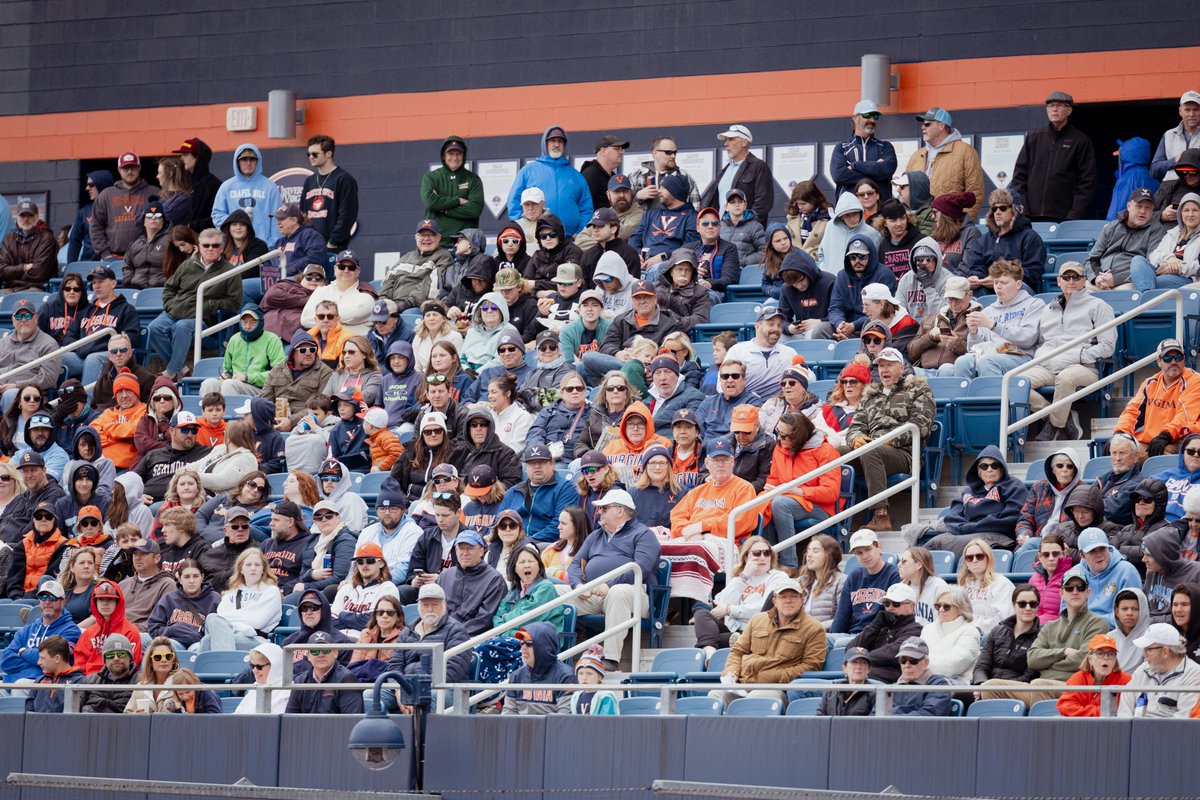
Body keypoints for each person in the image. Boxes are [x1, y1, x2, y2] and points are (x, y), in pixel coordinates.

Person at [1016, 260, 1116, 441]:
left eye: (1076, 277)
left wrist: (1079, 356)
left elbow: (1107, 346)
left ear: (1084, 280)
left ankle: (1053, 426)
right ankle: (1063, 417)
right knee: (1015, 383)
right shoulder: (1048, 309)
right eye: (1066, 277)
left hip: (1083, 367)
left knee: (1066, 378)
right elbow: (1041, 342)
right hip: (1048, 366)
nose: (1071, 281)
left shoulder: (1099, 306)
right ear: (1059, 281)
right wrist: (1042, 357)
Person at [982, 567, 1110, 705]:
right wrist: (1063, 652)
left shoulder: (1098, 623)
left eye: (1080, 587)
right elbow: (1032, 659)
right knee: (990, 687)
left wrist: (1047, 661)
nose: (1075, 591)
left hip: (1075, 686)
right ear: (1061, 592)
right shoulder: (1050, 626)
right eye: (1069, 587)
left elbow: (1084, 660)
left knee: (1039, 686)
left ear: (1088, 592)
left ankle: (1038, 726)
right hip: (1040, 686)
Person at [843, 346, 934, 532]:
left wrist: (891, 440)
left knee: (870, 450)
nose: (884, 369)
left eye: (889, 365)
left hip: (904, 453)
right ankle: (837, 514)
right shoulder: (870, 395)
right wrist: (856, 439)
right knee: (833, 453)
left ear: (901, 367)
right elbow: (855, 426)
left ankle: (881, 515)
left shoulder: (918, 389)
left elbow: (921, 424)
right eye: (881, 365)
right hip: (872, 450)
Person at [568, 489, 660, 669]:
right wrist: (579, 585)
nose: (599, 512)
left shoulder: (644, 534)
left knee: (618, 592)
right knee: (551, 591)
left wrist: (609, 585)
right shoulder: (596, 535)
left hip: (634, 594)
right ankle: (548, 652)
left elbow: (640, 568)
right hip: (593, 593)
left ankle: (610, 659)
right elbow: (575, 564)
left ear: (620, 511)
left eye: (604, 508)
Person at [710, 578, 825, 707]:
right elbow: (737, 651)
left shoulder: (814, 628)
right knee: (714, 696)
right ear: (775, 601)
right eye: (783, 596)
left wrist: (771, 677)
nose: (788, 600)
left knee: (756, 698)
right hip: (742, 684)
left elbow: (811, 666)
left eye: (794, 596)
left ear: (802, 600)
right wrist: (731, 673)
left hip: (777, 688)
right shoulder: (757, 620)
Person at [147, 227, 242, 381]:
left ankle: (171, 372)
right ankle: (182, 369)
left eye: (215, 245)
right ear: (199, 246)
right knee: (153, 328)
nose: (210, 249)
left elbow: (234, 303)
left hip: (203, 319)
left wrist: (210, 305)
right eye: (206, 245)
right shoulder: (187, 265)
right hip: (174, 312)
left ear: (222, 248)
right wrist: (171, 304)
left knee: (181, 327)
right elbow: (169, 288)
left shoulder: (229, 271)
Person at [760, 412, 840, 571]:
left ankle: (789, 564)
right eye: (778, 433)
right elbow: (774, 478)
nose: (779, 439)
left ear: (798, 436)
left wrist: (800, 492)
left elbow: (831, 492)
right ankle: (769, 562)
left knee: (780, 504)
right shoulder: (780, 448)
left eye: (785, 436)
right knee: (762, 503)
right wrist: (770, 488)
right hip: (787, 498)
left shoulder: (825, 451)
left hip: (818, 507)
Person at [691, 535, 789, 661]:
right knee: (701, 614)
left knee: (710, 639)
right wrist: (744, 577)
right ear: (746, 557)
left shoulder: (778, 577)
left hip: (761, 632)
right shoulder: (740, 579)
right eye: (757, 553)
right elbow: (721, 602)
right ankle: (710, 653)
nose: (762, 557)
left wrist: (730, 610)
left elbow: (763, 608)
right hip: (736, 632)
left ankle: (712, 648)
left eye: (767, 553)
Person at [1010, 91, 1097, 221]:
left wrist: (1073, 216)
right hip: (1031, 216)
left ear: (1069, 110)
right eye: (1051, 106)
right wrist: (1024, 210)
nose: (1054, 109)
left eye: (1059, 105)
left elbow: (1087, 183)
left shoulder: (1080, 141)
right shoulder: (1034, 139)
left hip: (1064, 217)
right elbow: (1019, 178)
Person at [506, 125, 592, 237]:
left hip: (570, 240)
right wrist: (525, 229)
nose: (556, 144)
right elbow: (514, 202)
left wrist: (579, 233)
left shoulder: (576, 176)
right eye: (552, 141)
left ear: (564, 145)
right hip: (538, 239)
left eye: (560, 141)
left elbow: (586, 208)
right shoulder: (528, 171)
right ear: (545, 144)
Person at [386, 583, 472, 696]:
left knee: (432, 697)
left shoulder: (456, 631)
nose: (430, 609)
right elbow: (395, 666)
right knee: (370, 695)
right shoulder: (407, 631)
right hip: (406, 687)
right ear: (418, 606)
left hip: (440, 689)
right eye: (425, 605)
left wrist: (416, 692)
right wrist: (398, 689)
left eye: (435, 605)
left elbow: (452, 672)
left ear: (444, 605)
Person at [906, 108, 985, 219]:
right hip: (918, 225)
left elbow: (975, 192)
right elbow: (905, 191)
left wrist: (962, 223)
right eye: (923, 124)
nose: (922, 127)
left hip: (949, 225)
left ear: (941, 126)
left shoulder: (966, 151)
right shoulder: (917, 156)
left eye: (927, 124)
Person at [197, 548, 281, 652]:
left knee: (208, 641)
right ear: (241, 569)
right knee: (212, 618)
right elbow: (220, 619)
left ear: (263, 569)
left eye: (257, 565)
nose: (253, 568)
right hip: (231, 635)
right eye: (248, 565)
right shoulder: (231, 593)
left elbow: (257, 622)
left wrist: (231, 621)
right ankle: (226, 664)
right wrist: (245, 624)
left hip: (257, 641)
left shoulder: (271, 591)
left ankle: (224, 666)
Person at [964, 189, 1048, 292]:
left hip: (1019, 289)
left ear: (1014, 210)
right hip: (988, 289)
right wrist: (975, 277)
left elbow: (1033, 272)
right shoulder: (983, 240)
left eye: (1003, 208)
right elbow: (977, 267)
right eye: (994, 209)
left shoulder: (1030, 237)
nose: (997, 212)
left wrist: (1001, 279)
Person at [0, 580, 80, 684]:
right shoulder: (26, 630)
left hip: (47, 683)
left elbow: (54, 662)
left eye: (52, 598)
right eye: (43, 597)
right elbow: (6, 660)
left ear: (63, 602)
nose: (47, 602)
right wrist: (35, 665)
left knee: (22, 683)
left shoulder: (70, 631)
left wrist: (23, 652)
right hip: (14, 680)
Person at [831, 531, 901, 644]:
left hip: (879, 635)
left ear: (879, 547)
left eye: (868, 549)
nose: (865, 556)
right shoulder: (855, 576)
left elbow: (892, 616)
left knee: (839, 643)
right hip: (852, 634)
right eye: (859, 553)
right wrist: (832, 636)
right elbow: (842, 615)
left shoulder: (894, 575)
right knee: (821, 641)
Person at [1087, 187, 1164, 290]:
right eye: (1138, 206)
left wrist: (1116, 279)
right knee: (1077, 285)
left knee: (1125, 290)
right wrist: (1097, 278)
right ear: (1128, 206)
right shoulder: (1111, 227)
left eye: (1148, 208)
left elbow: (1150, 265)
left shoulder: (1156, 230)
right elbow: (1091, 259)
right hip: (1101, 279)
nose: (1143, 211)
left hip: (1127, 282)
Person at [848, 582, 924, 684]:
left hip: (889, 682)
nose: (890, 608)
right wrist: (875, 624)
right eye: (887, 604)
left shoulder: (916, 629)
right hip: (866, 676)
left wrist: (860, 658)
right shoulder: (881, 626)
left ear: (911, 606)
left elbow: (892, 653)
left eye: (896, 604)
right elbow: (850, 649)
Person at [1118, 622, 1200, 717]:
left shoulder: (1194, 674)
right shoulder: (1142, 670)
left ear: (1165, 651)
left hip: (1168, 731)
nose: (1143, 655)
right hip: (1134, 729)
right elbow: (1124, 712)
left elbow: (1183, 722)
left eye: (1148, 649)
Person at [972, 584, 1042, 687]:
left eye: (1033, 604)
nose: (1028, 608)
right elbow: (981, 666)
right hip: (987, 686)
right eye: (1022, 604)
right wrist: (981, 684)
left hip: (1017, 689)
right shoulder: (997, 631)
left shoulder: (1042, 636)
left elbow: (1030, 676)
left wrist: (995, 687)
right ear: (1014, 605)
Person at [210, 143, 281, 243]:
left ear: (258, 161)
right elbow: (217, 215)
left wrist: (274, 244)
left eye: (252, 159)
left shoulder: (270, 187)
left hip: (263, 246)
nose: (248, 163)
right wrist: (235, 222)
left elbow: (277, 219)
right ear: (237, 162)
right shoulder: (226, 186)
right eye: (244, 159)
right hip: (234, 246)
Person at [700, 124, 774, 220]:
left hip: (746, 232)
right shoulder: (726, 169)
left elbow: (763, 204)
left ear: (744, 142)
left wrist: (745, 226)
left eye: (730, 139)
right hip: (722, 230)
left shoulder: (759, 166)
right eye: (726, 140)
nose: (726, 144)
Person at [89, 152, 156, 259]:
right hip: (113, 257)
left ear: (139, 168)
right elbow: (96, 227)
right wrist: (105, 254)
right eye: (125, 168)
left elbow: (165, 225)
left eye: (133, 168)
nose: (129, 171)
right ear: (119, 170)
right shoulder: (106, 195)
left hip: (147, 256)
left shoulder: (154, 193)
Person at [501, 622, 577, 715]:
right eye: (522, 643)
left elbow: (563, 718)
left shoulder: (566, 676)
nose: (523, 648)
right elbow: (508, 714)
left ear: (544, 646)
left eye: (529, 643)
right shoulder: (517, 675)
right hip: (521, 728)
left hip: (551, 729)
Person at [284, 630, 365, 714]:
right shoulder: (300, 681)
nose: (321, 654)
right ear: (308, 656)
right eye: (315, 651)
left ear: (335, 653)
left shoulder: (347, 679)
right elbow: (289, 718)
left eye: (326, 650)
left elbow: (351, 720)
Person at [831, 100, 897, 201]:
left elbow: (888, 169)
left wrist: (855, 166)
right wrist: (876, 170)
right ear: (855, 118)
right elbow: (839, 175)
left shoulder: (885, 146)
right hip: (851, 212)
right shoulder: (842, 148)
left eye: (875, 116)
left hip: (881, 212)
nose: (872, 120)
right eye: (867, 115)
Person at [73, 579, 143, 675]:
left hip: (119, 682)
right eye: (101, 599)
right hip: (90, 684)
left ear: (117, 602)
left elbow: (132, 664)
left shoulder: (130, 631)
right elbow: (79, 665)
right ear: (95, 602)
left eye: (109, 599)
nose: (105, 603)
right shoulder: (88, 633)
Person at [1074, 527, 1142, 625]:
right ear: (1082, 555)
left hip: (1115, 631)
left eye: (1102, 548)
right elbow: (1067, 611)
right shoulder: (1075, 573)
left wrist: (1092, 623)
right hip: (1081, 629)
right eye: (1092, 551)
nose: (1099, 555)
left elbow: (1131, 614)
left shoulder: (1127, 571)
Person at [921, 587, 981, 684]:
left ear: (961, 608)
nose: (941, 610)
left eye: (946, 606)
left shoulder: (970, 631)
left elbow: (952, 666)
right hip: (924, 681)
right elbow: (915, 658)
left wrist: (923, 662)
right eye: (938, 606)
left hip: (955, 685)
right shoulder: (927, 629)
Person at [627, 135, 702, 211]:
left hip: (676, 222)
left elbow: (696, 208)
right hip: (643, 222)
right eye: (668, 152)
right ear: (655, 153)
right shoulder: (636, 176)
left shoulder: (683, 176)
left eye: (675, 152)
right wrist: (638, 196)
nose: (673, 156)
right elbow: (622, 208)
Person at [1142, 528, 1200, 622]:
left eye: (1149, 555)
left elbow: (1193, 616)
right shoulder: (1151, 572)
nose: (1144, 559)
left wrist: (1153, 621)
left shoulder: (1196, 572)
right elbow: (1144, 607)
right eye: (1144, 554)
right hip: (1151, 629)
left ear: (1164, 555)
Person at [890, 637, 954, 716]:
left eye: (913, 660)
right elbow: (876, 714)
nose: (907, 665)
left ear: (926, 663)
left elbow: (928, 715)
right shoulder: (892, 688)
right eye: (902, 660)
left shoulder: (939, 684)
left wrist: (892, 715)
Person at [77, 634, 137, 713]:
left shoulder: (141, 682)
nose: (116, 658)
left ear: (130, 657)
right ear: (104, 660)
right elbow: (73, 711)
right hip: (90, 723)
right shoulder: (88, 681)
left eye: (121, 654)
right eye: (110, 655)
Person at [171, 139, 219, 231]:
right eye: (181, 155)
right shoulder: (182, 182)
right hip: (180, 236)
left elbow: (217, 217)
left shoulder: (214, 185)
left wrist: (191, 225)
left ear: (198, 157)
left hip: (204, 239)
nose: (181, 159)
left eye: (185, 155)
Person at [68, 170, 114, 262]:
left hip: (115, 263)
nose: (87, 188)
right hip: (89, 265)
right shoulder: (84, 211)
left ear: (102, 184)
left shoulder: (119, 208)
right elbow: (74, 240)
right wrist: (71, 267)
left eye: (91, 185)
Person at [816, 646, 877, 717]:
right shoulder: (831, 690)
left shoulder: (876, 694)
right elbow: (819, 718)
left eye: (863, 663)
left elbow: (874, 724)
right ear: (844, 668)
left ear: (869, 669)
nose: (859, 667)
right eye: (854, 662)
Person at [898, 547, 949, 627]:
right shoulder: (901, 587)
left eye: (904, 561)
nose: (898, 565)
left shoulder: (938, 586)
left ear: (918, 564)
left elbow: (945, 623)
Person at [569, 645, 619, 715]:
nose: (584, 677)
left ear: (600, 677)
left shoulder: (606, 697)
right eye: (580, 673)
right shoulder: (576, 697)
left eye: (589, 673)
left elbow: (607, 722)